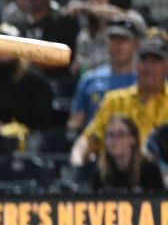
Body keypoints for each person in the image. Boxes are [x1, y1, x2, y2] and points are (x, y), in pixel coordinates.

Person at [70, 34, 168, 166]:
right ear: (136, 64)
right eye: (144, 60)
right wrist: (77, 161)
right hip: (119, 177)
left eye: (156, 61)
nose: (148, 67)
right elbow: (89, 139)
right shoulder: (115, 100)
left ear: (166, 65)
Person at [66, 15, 140, 132]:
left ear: (136, 44)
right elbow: (76, 120)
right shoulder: (89, 79)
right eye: (113, 39)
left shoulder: (147, 80)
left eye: (124, 40)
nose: (118, 45)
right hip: (95, 143)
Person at [92, 115, 164, 194]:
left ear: (133, 139)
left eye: (121, 134)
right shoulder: (99, 171)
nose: (114, 139)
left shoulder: (150, 170)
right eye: (110, 134)